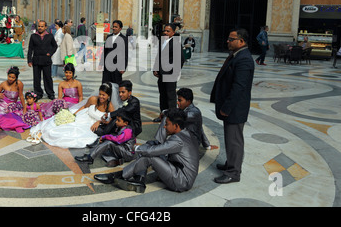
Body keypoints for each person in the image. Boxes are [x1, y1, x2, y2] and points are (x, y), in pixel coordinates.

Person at [94, 108, 200, 193]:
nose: (164, 126)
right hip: (178, 170)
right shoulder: (186, 133)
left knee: (149, 156)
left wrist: (136, 148)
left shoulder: (178, 140)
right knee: (150, 146)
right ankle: (139, 179)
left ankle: (117, 176)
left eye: (167, 124)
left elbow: (151, 152)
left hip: (181, 181)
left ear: (176, 126)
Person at [210, 28, 255, 184]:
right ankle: (231, 164)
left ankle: (233, 173)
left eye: (231, 39)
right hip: (232, 107)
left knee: (234, 140)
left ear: (241, 41)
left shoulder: (244, 59)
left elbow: (239, 87)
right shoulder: (236, 55)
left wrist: (226, 107)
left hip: (235, 108)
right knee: (230, 139)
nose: (227, 41)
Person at [27, 83, 115, 148]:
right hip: (83, 116)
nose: (101, 96)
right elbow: (84, 106)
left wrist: (99, 122)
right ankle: (42, 132)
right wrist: (74, 114)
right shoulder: (93, 99)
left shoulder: (109, 106)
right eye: (100, 94)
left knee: (74, 134)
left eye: (104, 95)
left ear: (108, 96)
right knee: (63, 125)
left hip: (90, 124)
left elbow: (110, 119)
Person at [152, 23, 184, 121]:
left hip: (170, 75)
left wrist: (174, 72)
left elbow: (181, 59)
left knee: (170, 97)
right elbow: (159, 56)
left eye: (168, 31)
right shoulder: (162, 42)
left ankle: (171, 118)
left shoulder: (176, 43)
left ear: (173, 33)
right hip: (162, 74)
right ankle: (163, 115)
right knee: (163, 95)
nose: (165, 32)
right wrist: (155, 68)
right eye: (164, 30)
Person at [27, 20, 58, 100]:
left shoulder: (50, 36)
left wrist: (50, 53)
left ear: (45, 27)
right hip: (36, 60)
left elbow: (55, 46)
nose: (40, 28)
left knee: (47, 77)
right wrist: (29, 60)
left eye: (42, 26)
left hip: (46, 60)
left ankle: (50, 93)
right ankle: (38, 93)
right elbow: (30, 48)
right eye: (39, 26)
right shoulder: (33, 36)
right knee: (36, 78)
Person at [102, 20, 128, 85]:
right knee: (106, 84)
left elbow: (125, 53)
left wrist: (123, 67)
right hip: (107, 65)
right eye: (113, 26)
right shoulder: (109, 37)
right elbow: (105, 51)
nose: (114, 28)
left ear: (120, 28)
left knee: (116, 84)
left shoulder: (124, 39)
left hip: (117, 66)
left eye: (116, 27)